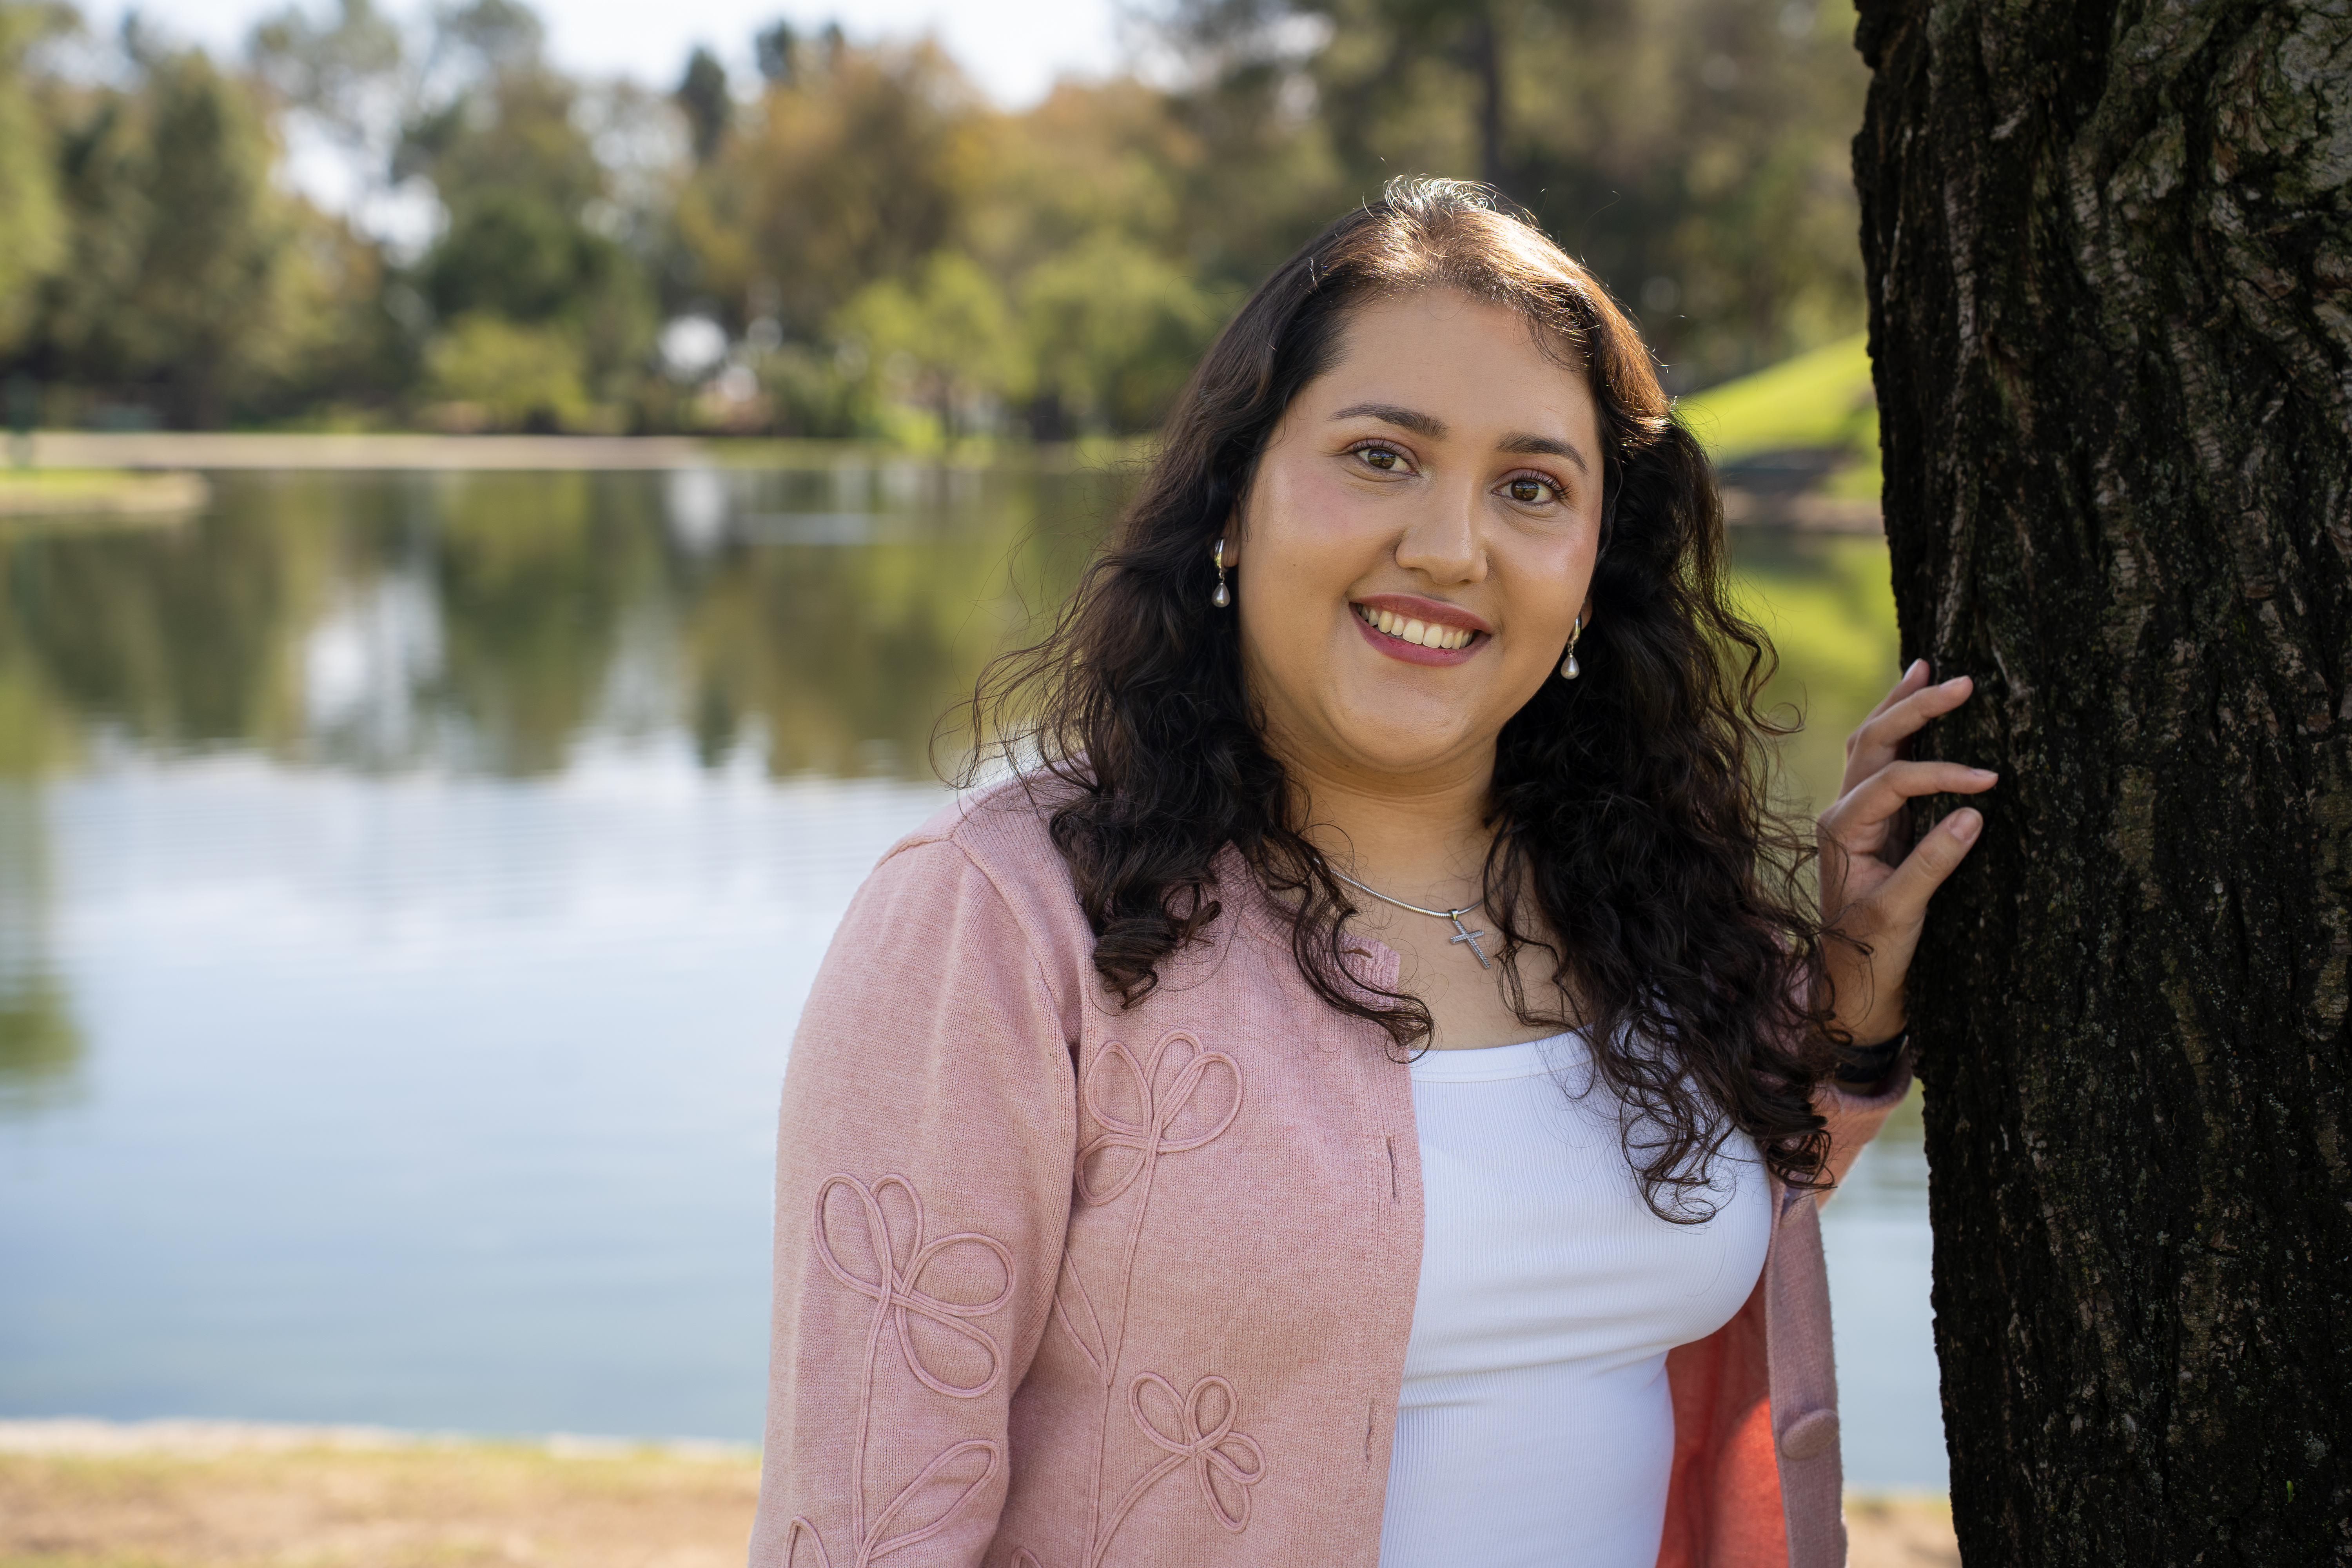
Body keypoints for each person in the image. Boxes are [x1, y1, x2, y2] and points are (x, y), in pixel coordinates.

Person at [747, 178, 1996, 1568]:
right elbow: (862, 1524)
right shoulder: (1003, 917)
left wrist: (1857, 1008)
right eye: (1382, 457)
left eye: (1532, 487)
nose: (1450, 548)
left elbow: (1692, 1198)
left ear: (1593, 566)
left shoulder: (1647, 900)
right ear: (1236, 496)